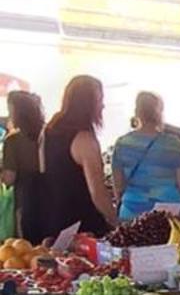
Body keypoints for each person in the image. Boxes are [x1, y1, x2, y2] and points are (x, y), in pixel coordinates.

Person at [40, 75, 117, 239]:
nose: (102, 105)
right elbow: (97, 192)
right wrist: (116, 221)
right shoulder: (85, 139)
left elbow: (43, 170)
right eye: (100, 99)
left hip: (54, 217)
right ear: (87, 104)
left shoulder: (48, 131)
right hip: (84, 225)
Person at [112, 91, 180, 224]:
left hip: (131, 213)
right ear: (159, 113)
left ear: (137, 112)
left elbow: (118, 188)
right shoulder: (172, 143)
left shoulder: (122, 143)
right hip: (166, 214)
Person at [0, 90, 43, 241]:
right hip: (52, 196)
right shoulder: (48, 134)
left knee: (26, 248)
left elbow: (9, 179)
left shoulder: (13, 141)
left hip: (26, 199)